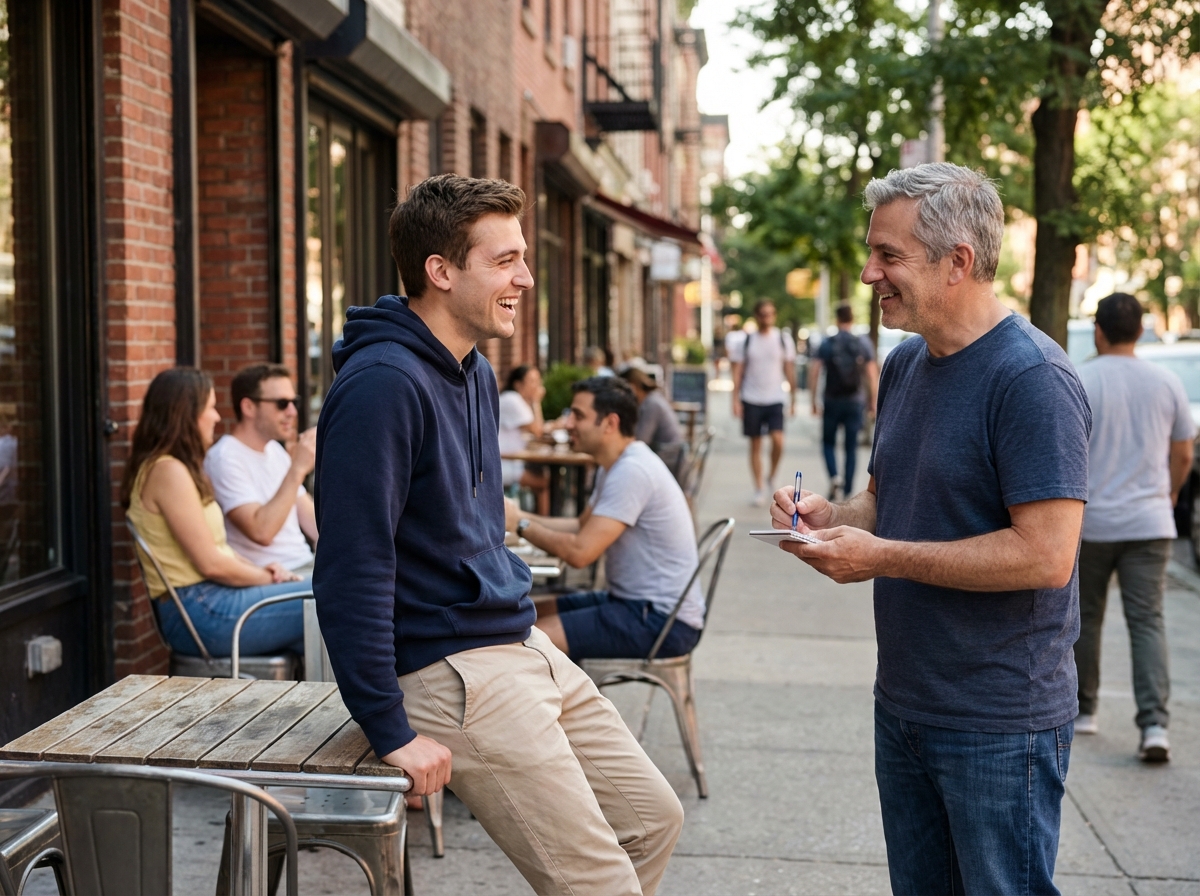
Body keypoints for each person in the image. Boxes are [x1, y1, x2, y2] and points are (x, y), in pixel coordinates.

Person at [313, 174, 683, 895]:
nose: (526, 276)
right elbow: (351, 568)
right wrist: (389, 729)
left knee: (653, 819)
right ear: (441, 272)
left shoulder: (474, 370)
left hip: (517, 644)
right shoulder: (382, 385)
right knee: (601, 883)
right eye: (505, 259)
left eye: (522, 255)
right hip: (448, 672)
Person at [770, 163, 1091, 895]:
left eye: (888, 255)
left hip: (1000, 720)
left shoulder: (1032, 379)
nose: (867, 272)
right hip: (907, 702)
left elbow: (1046, 556)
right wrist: (831, 516)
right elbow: (887, 501)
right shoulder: (908, 362)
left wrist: (882, 557)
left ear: (958, 263)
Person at [504, 377, 702, 661]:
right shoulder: (615, 465)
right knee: (525, 614)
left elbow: (580, 553)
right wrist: (518, 516)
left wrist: (520, 525)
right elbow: (580, 527)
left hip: (662, 620)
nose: (568, 423)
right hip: (632, 603)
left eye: (578, 415)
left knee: (526, 642)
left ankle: (568, 704)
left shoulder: (632, 471)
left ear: (610, 423)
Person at [1073, 292, 1193, 762]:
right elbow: (1183, 452)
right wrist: (1171, 494)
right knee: (1148, 621)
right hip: (1150, 522)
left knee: (1086, 617)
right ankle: (1155, 726)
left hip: (1092, 523)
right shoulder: (1166, 382)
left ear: (1098, 331)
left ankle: (1085, 711)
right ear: (1141, 330)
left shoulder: (1080, 380)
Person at [121, 367, 306, 658]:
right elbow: (211, 564)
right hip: (200, 611)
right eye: (210, 408)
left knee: (326, 607)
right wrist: (269, 578)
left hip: (213, 600)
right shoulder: (167, 471)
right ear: (185, 414)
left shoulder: (176, 468)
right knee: (329, 598)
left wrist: (266, 571)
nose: (217, 417)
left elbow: (218, 550)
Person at [204, 364, 317, 576]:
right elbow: (261, 531)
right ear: (248, 407)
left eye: (295, 402)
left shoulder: (274, 450)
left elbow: (313, 523)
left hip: (306, 566)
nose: (292, 412)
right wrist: (297, 470)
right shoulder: (225, 457)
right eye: (282, 404)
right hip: (275, 577)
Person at [808, 303, 879, 500]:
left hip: (831, 400)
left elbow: (814, 372)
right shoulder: (862, 343)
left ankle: (834, 476)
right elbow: (872, 375)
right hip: (855, 401)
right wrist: (873, 400)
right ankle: (848, 491)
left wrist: (813, 399)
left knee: (828, 443)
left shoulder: (827, 343)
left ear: (837, 319)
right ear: (852, 318)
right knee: (850, 447)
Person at [729, 300, 796, 506]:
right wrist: (735, 399)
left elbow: (789, 370)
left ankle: (771, 475)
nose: (767, 317)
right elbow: (738, 371)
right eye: (763, 314)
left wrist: (793, 399)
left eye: (770, 313)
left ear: (774, 315)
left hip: (775, 398)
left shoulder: (783, 339)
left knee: (778, 440)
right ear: (757, 316)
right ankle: (759, 487)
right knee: (755, 444)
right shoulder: (746, 341)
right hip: (751, 398)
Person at [498, 364, 550, 515]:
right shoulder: (512, 399)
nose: (537, 386)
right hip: (506, 463)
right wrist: (536, 401)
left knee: (543, 475)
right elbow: (537, 430)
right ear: (518, 384)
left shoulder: (515, 399)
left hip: (512, 460)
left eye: (538, 381)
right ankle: (541, 525)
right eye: (532, 381)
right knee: (544, 482)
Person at [621, 367, 687, 478]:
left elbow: (641, 440)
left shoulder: (651, 404)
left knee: (624, 468)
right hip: (669, 456)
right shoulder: (653, 399)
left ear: (632, 387)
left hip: (667, 458)